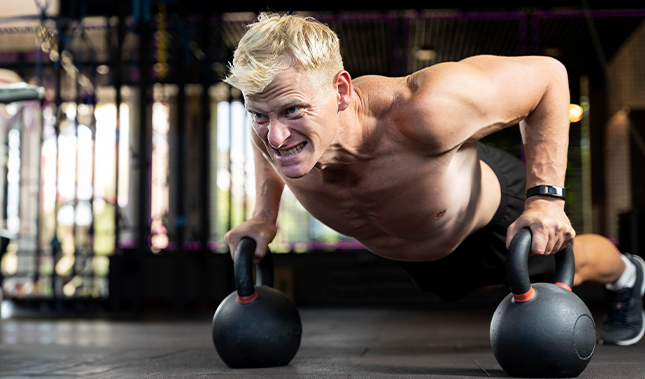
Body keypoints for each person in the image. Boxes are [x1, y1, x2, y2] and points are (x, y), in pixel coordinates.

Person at [222, 12, 644, 346]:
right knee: (467, 289)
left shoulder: (424, 108)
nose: (275, 136)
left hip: (495, 217)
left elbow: (548, 77)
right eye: (259, 114)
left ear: (341, 91)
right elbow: (268, 143)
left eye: (293, 110)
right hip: (424, 254)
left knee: (569, 267)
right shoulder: (274, 130)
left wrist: (546, 201)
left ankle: (628, 274)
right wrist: (263, 216)